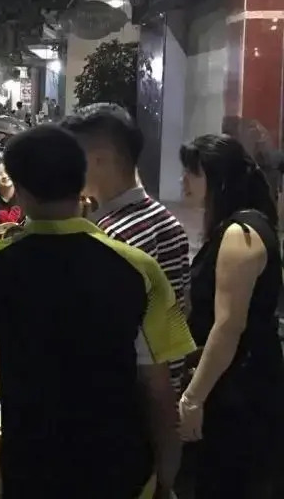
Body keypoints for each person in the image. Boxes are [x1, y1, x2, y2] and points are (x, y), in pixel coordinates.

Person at [0, 125, 194, 499]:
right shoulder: (138, 268)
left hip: (30, 468)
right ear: (81, 182)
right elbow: (159, 389)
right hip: (119, 471)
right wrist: (167, 473)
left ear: (20, 189)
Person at [176, 135, 284, 499]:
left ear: (218, 179)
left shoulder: (240, 234)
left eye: (193, 173)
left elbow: (228, 326)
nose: (183, 180)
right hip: (239, 378)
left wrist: (193, 398)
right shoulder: (237, 227)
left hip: (239, 388)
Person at [62, 104, 190, 391]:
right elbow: (183, 308)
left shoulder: (111, 236)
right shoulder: (167, 220)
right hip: (166, 386)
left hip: (125, 395)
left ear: (99, 159)